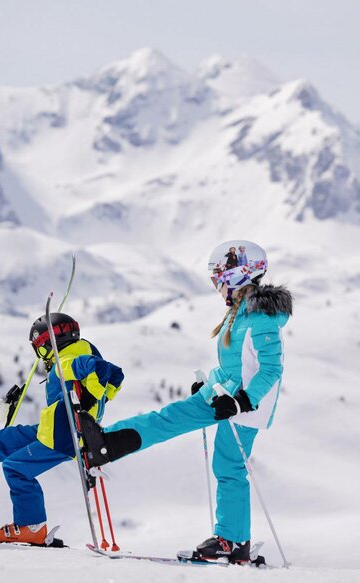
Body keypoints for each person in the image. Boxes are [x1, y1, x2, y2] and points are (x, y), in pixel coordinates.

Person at [79, 240, 291, 564]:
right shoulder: (240, 314)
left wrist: (243, 402)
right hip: (225, 396)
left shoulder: (261, 318)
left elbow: (271, 369)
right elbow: (233, 367)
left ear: (235, 277)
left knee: (229, 466)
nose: (216, 287)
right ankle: (105, 443)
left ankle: (232, 543)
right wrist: (208, 386)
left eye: (217, 280)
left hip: (246, 407)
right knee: (170, 417)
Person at [0, 312, 125, 546]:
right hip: (56, 427)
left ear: (48, 345)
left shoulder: (65, 361)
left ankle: (31, 527)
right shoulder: (82, 350)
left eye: (40, 348)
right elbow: (116, 373)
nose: (41, 355)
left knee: (16, 467)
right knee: (5, 440)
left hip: (66, 435)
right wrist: (100, 396)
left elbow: (99, 369)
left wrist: (91, 399)